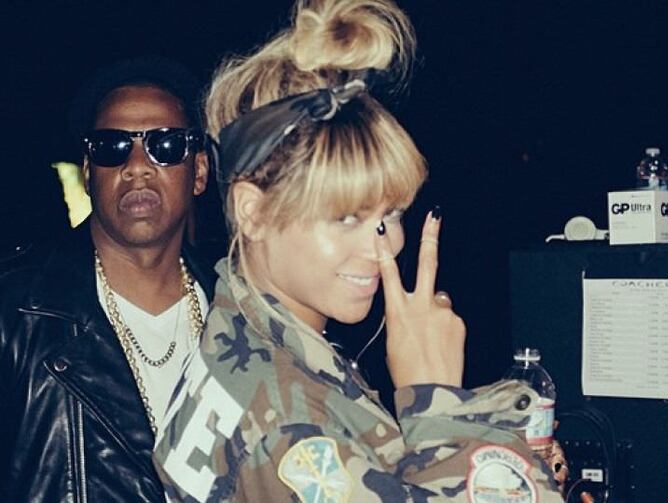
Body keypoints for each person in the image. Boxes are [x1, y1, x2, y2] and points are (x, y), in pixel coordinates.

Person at [153, 1, 564, 501]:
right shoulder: (292, 431)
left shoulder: (246, 330)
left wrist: (502, 450)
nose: (384, 245)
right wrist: (438, 400)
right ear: (253, 213)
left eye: (392, 213)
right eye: (347, 217)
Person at [0, 56, 216, 501]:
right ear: (88, 173)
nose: (137, 165)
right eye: (111, 146)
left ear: (198, 172)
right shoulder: (15, 313)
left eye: (165, 144)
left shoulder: (244, 312)